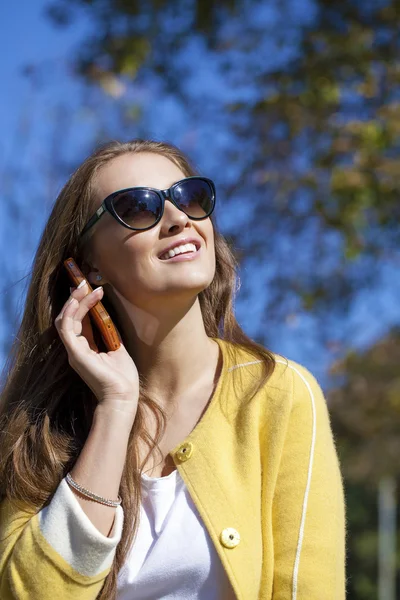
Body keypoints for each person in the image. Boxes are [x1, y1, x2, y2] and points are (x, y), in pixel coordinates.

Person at [0, 139, 346, 600]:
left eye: (189, 197)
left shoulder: (276, 393)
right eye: (137, 207)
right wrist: (115, 407)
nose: (179, 217)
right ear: (88, 266)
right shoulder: (43, 426)